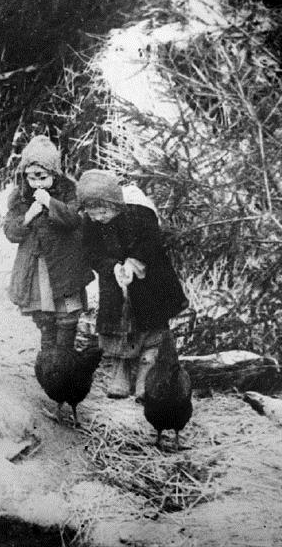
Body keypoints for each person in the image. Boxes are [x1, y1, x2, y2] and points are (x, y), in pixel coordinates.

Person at [76, 169, 189, 399]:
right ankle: (122, 367)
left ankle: (147, 369)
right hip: (114, 277)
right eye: (94, 215)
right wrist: (112, 267)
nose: (99, 218)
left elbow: (152, 241)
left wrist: (133, 261)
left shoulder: (139, 211)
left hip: (149, 275)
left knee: (150, 321)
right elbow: (90, 251)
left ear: (114, 204)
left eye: (103, 212)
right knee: (118, 320)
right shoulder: (91, 221)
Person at [3, 135, 94, 365]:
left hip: (65, 265)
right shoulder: (20, 197)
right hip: (38, 266)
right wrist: (28, 216)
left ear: (54, 173)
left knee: (68, 312)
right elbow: (10, 231)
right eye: (31, 178)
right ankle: (47, 360)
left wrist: (50, 203)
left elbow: (73, 219)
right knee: (44, 314)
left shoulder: (69, 191)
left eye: (42, 177)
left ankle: (64, 358)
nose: (37, 183)